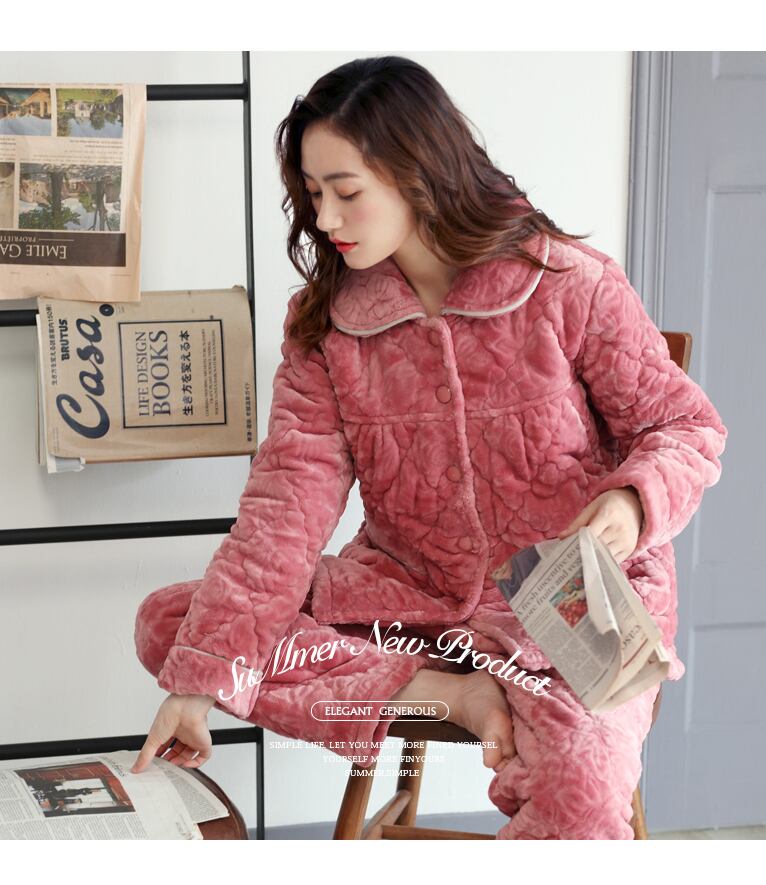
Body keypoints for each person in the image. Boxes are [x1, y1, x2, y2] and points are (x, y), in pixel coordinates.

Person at [130, 56, 727, 839]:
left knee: (581, 802)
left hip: (567, 613)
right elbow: (285, 511)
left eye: (346, 191)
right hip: (404, 604)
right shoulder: (326, 326)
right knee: (176, 625)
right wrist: (197, 687)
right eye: (312, 194)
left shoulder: (567, 282)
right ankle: (445, 694)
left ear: (418, 173)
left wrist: (630, 503)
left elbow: (684, 427)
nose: (327, 218)